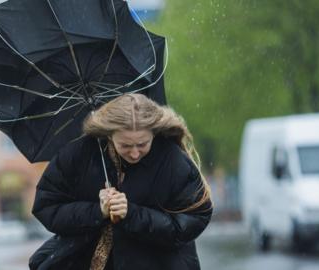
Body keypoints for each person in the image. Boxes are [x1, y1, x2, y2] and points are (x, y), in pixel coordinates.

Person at [29, 93, 213, 270]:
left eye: (142, 144)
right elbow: (46, 207)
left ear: (154, 133)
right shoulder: (78, 154)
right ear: (109, 135)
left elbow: (192, 220)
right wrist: (97, 211)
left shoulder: (173, 161)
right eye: (125, 145)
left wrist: (132, 214)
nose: (134, 153)